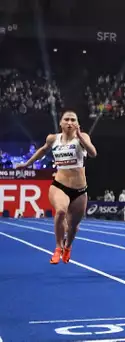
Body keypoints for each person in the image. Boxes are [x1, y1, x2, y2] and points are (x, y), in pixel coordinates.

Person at [16, 110, 97, 264]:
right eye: (66, 119)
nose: (69, 122)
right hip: (60, 185)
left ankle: (68, 246)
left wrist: (80, 137)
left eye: (73, 119)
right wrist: (27, 164)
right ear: (61, 123)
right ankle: (58, 247)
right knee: (60, 212)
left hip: (80, 190)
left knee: (74, 227)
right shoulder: (53, 139)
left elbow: (93, 153)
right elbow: (42, 150)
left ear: (77, 124)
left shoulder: (83, 137)